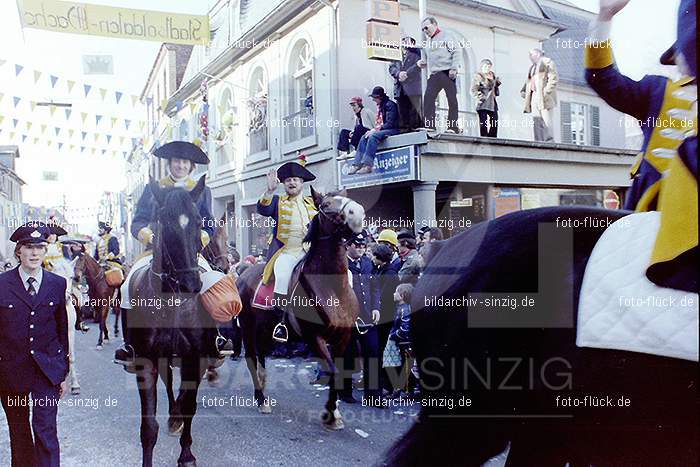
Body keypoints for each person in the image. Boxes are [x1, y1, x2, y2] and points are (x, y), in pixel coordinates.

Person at [585, 0, 696, 212]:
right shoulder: (658, 91)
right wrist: (604, 18)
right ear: (676, 58)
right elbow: (601, 78)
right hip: (655, 208)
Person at [115, 141, 216, 367]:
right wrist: (150, 237)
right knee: (126, 286)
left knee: (213, 282)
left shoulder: (201, 190)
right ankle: (130, 345)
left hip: (190, 253)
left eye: (185, 162)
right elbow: (138, 221)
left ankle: (215, 339)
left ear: (191, 166)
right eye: (176, 161)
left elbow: (209, 224)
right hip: (157, 251)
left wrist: (196, 241)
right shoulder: (154, 189)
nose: (180, 165)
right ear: (170, 164)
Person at [0, 222, 69, 467]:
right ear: (18, 251)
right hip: (10, 372)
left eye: (40, 247)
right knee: (19, 434)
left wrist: (63, 372)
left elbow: (62, 330)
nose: (34, 253)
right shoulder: (1, 284)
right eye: (29, 247)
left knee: (46, 431)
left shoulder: (57, 284)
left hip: (46, 371)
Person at [257, 155, 318, 343]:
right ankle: (281, 322)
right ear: (283, 184)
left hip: (311, 252)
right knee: (282, 276)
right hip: (288, 252)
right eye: (288, 180)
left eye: (295, 180)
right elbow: (263, 209)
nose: (292, 183)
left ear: (302, 183)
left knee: (344, 272)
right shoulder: (277, 202)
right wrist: (268, 191)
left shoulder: (312, 202)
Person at [341, 232, 382, 404]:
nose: (360, 248)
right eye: (356, 245)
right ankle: (345, 392)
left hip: (367, 316)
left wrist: (376, 308)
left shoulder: (367, 263)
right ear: (348, 246)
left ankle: (373, 395)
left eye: (363, 246)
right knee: (348, 354)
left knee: (372, 352)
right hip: (348, 318)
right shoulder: (341, 265)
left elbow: (374, 288)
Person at [418, 16, 461, 133]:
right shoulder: (428, 42)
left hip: (447, 72)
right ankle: (430, 125)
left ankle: (453, 127)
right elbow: (428, 59)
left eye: (426, 27)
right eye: (423, 29)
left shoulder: (446, 36)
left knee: (451, 99)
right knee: (428, 98)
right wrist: (422, 62)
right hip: (435, 74)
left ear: (435, 24)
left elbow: (456, 51)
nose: (425, 31)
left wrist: (454, 68)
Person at [347, 86, 400, 175]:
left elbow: (390, 124)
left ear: (380, 97)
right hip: (385, 129)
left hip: (394, 129)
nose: (373, 100)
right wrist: (374, 129)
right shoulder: (382, 106)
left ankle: (368, 165)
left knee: (373, 136)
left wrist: (375, 130)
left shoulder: (390, 105)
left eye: (374, 98)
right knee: (365, 136)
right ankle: (356, 164)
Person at [369, 243, 400, 395]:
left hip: (386, 317)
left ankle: (387, 385)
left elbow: (385, 295)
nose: (372, 257)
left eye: (374, 255)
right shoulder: (381, 270)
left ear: (380, 257)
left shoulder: (390, 274)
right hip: (382, 316)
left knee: (384, 351)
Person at [521, 48, 559, 142]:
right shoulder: (533, 67)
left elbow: (553, 79)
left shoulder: (547, 62)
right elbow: (530, 80)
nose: (530, 57)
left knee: (546, 120)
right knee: (536, 119)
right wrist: (524, 90)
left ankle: (549, 141)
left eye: (532, 55)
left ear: (538, 54)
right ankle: (538, 141)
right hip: (534, 95)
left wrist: (546, 92)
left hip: (544, 95)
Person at [389, 36, 423, 132]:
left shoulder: (416, 53)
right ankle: (404, 129)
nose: (404, 43)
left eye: (407, 41)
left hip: (413, 87)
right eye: (403, 41)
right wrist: (398, 73)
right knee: (402, 111)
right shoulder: (396, 54)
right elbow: (391, 68)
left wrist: (406, 74)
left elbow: (418, 66)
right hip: (400, 88)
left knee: (413, 110)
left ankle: (413, 129)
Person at [471, 59, 501, 137]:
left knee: (494, 120)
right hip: (483, 102)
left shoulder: (493, 75)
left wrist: (497, 84)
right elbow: (474, 89)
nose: (488, 68)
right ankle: (484, 137)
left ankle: (492, 137)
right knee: (483, 122)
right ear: (482, 66)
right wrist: (480, 97)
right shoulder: (479, 76)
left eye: (489, 66)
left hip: (492, 101)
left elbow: (494, 88)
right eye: (486, 66)